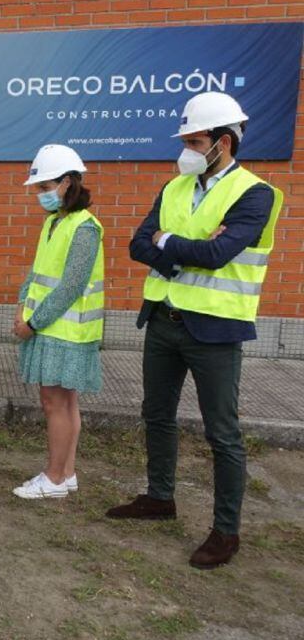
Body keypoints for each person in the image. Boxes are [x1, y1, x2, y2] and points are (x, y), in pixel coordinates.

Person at [107, 92, 282, 569]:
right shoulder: (174, 188)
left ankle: (226, 532)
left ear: (223, 142)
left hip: (217, 331)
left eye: (194, 139)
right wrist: (174, 245)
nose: (185, 148)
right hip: (164, 320)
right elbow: (138, 244)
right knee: (156, 414)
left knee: (222, 433)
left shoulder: (255, 193)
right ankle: (159, 497)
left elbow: (215, 256)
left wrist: (170, 244)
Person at [10, 145, 104, 499]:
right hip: (48, 326)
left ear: (67, 183)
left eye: (45, 186)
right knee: (64, 403)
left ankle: (53, 479)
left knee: (56, 403)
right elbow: (37, 272)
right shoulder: (55, 222)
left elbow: (71, 285)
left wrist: (34, 323)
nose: (40, 195)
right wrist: (22, 306)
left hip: (66, 331)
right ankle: (65, 473)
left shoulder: (85, 227)